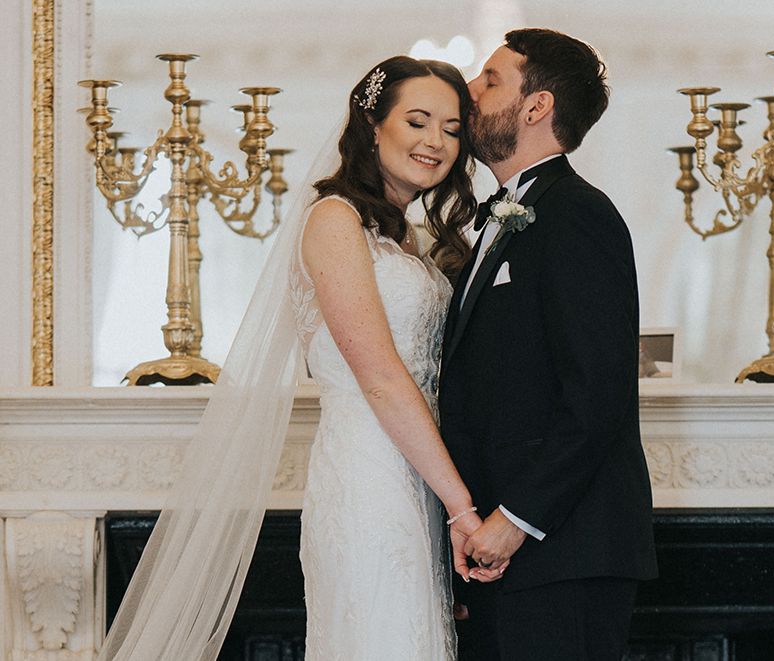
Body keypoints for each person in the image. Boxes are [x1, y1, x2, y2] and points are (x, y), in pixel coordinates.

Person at [99, 56, 497, 661]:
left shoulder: (407, 238)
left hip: (418, 472)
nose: (435, 142)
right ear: (373, 126)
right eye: (417, 122)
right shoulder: (334, 219)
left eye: (451, 129)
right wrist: (462, 508)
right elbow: (380, 377)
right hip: (368, 475)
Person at [444, 28, 659, 660]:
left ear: (536, 106)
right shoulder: (504, 213)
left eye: (489, 80)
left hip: (563, 551)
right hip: (503, 555)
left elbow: (597, 394)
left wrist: (513, 522)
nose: (469, 90)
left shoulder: (578, 213)